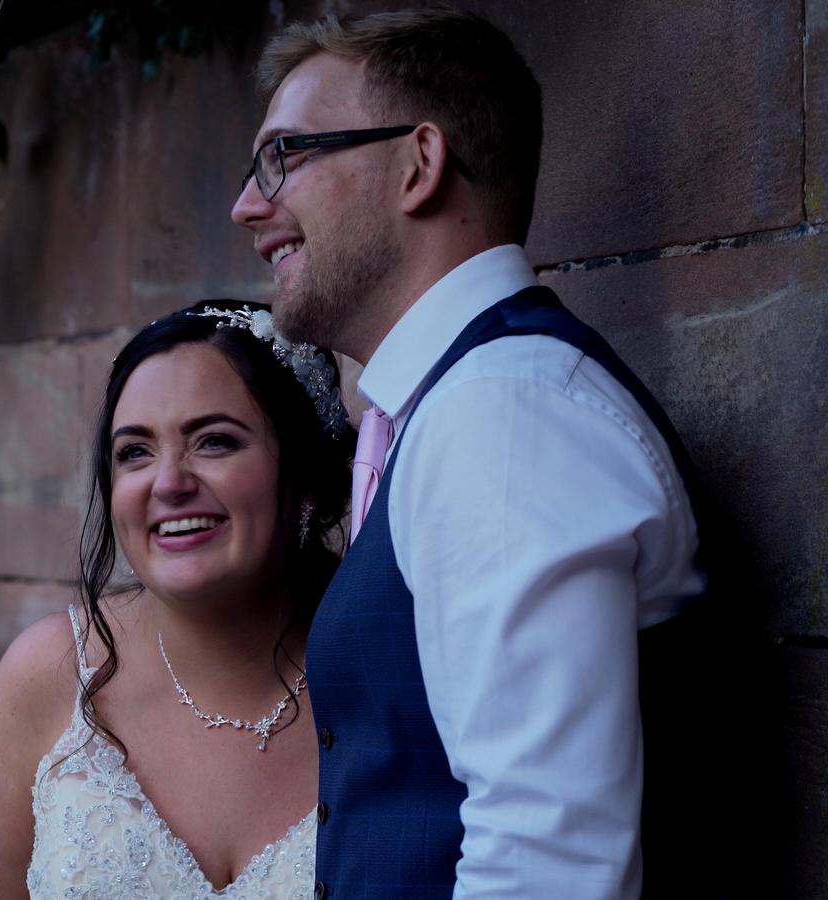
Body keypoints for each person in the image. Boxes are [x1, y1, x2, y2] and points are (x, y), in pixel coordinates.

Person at [229, 9, 717, 899]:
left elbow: (548, 862)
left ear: (419, 164)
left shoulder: (503, 416)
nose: (248, 204)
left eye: (283, 157)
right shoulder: (442, 407)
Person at [0, 300, 353, 898]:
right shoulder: (48, 675)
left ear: (307, 478)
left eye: (214, 441)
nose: (168, 483)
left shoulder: (389, 670)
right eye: (134, 451)